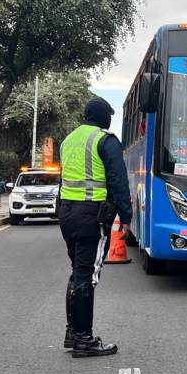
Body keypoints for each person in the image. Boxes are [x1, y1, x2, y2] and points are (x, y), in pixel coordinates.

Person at [58, 97, 133, 358]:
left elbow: (64, 179)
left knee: (77, 272)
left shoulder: (69, 140)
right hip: (92, 215)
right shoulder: (105, 140)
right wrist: (126, 216)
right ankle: (84, 339)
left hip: (67, 213)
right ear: (104, 117)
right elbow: (118, 179)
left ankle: (72, 332)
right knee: (87, 275)